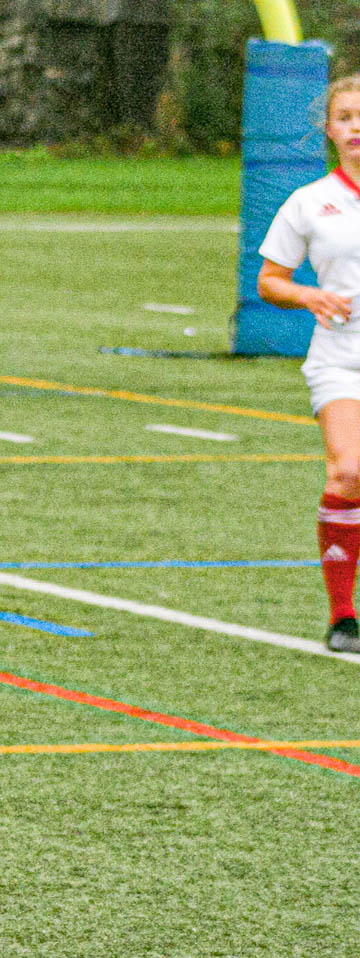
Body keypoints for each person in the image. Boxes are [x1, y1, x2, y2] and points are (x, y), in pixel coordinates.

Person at [257, 73, 360, 654]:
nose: (356, 127)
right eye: (344, 117)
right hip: (341, 362)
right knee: (348, 472)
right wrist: (311, 296)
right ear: (329, 130)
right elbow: (270, 281)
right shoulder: (310, 201)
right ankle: (344, 615)